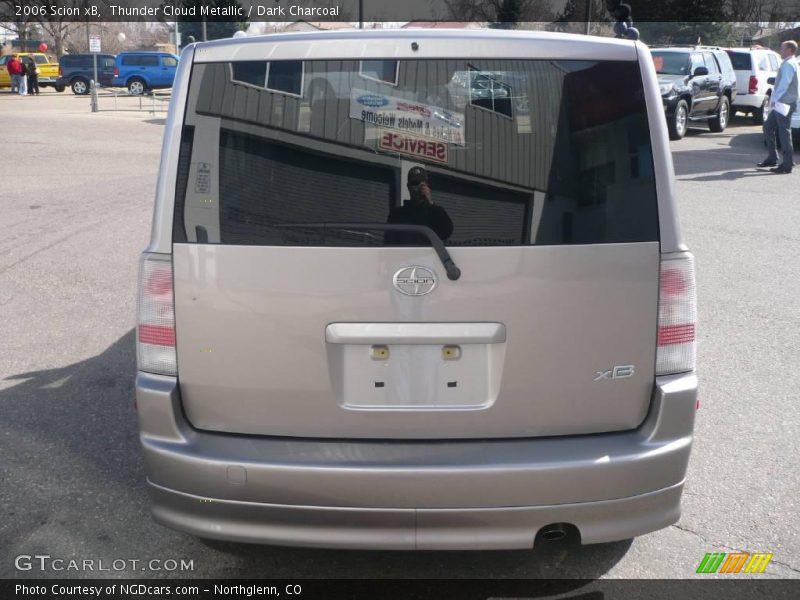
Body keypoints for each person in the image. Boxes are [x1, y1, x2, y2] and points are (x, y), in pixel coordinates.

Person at [757, 40, 799, 174]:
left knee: (784, 133)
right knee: (768, 127)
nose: (780, 50)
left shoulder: (789, 64)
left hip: (784, 103)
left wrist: (775, 99)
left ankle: (787, 164)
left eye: (782, 48)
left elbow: (784, 84)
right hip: (784, 102)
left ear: (790, 50)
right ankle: (772, 157)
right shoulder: (790, 63)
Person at [385, 166, 454, 245]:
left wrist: (430, 203)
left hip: (429, 256)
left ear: (427, 186)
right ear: (408, 187)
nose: (417, 188)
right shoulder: (397, 215)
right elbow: (389, 243)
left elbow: (447, 231)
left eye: (421, 185)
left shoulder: (433, 213)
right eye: (414, 184)